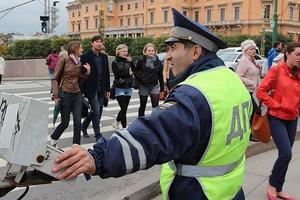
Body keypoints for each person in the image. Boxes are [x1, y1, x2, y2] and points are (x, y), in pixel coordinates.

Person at [53, 8, 252, 200]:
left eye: (174, 47)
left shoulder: (194, 94)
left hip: (198, 192)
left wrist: (96, 157)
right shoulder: (231, 79)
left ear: (196, 52)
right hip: (231, 189)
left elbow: (152, 136)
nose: (170, 56)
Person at [256, 42, 300, 200]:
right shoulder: (277, 70)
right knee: (286, 154)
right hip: (277, 118)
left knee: (286, 156)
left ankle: (279, 188)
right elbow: (261, 92)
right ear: (287, 53)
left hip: (292, 118)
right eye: (297, 54)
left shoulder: (299, 72)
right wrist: (277, 105)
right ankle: (272, 184)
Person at [50, 41, 90, 146]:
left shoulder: (79, 62)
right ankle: (54, 138)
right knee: (65, 123)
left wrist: (87, 72)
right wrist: (56, 96)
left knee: (77, 122)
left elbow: (79, 80)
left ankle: (76, 146)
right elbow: (54, 78)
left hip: (77, 94)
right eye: (80, 48)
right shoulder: (64, 60)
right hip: (66, 94)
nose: (82, 50)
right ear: (74, 48)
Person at [80, 35, 110, 141]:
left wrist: (108, 89)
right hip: (90, 88)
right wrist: (82, 91)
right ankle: (98, 135)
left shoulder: (104, 56)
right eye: (97, 41)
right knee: (96, 111)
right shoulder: (85, 56)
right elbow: (82, 74)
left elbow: (106, 73)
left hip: (101, 88)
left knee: (98, 111)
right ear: (92, 43)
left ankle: (84, 126)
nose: (99, 43)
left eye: (101, 41)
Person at [236, 39, 261, 142]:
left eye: (254, 49)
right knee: (252, 112)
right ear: (245, 50)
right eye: (251, 49)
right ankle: (251, 134)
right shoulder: (244, 61)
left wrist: (259, 68)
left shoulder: (252, 60)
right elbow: (238, 76)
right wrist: (250, 82)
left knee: (254, 112)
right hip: (247, 91)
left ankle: (253, 133)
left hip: (253, 90)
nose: (254, 51)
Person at [134, 43, 164, 116]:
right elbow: (135, 72)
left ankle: (155, 122)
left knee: (155, 106)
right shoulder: (141, 61)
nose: (151, 52)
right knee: (143, 105)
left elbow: (160, 75)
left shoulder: (158, 62)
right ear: (145, 52)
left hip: (154, 86)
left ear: (155, 51)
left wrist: (162, 89)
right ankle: (140, 121)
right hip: (143, 86)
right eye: (149, 50)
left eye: (152, 50)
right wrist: (141, 79)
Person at [111, 44, 134, 130]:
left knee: (124, 108)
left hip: (128, 87)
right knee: (123, 109)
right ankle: (125, 128)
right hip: (119, 87)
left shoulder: (128, 61)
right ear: (118, 52)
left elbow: (134, 70)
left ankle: (117, 122)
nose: (125, 53)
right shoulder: (114, 62)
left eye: (126, 51)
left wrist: (131, 62)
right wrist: (128, 74)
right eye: (123, 51)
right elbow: (117, 74)